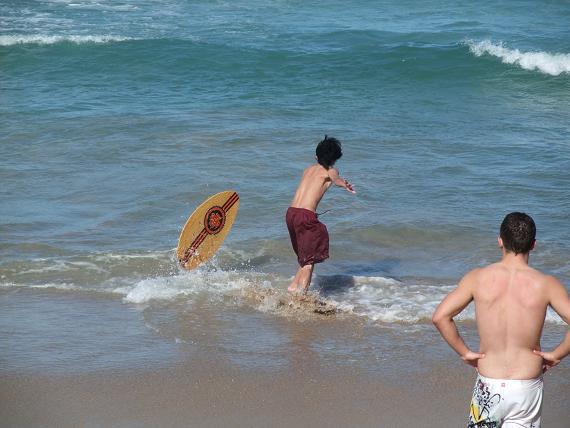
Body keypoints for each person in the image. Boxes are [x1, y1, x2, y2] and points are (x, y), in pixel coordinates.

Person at [432, 212, 570, 428]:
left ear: (499, 241)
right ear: (533, 244)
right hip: (527, 386)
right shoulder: (546, 284)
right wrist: (557, 354)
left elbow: (440, 316)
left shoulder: (477, 278)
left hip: (489, 383)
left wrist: (465, 352)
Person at [285, 135, 356, 294]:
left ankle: (292, 287)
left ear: (316, 156)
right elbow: (335, 179)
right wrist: (345, 185)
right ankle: (301, 297)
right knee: (310, 260)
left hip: (291, 214)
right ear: (335, 159)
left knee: (305, 255)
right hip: (305, 216)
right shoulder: (331, 170)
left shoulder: (308, 169)